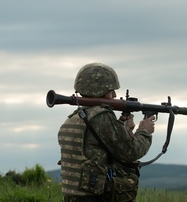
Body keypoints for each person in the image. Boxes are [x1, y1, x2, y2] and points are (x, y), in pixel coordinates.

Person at [58, 63, 155, 202]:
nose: (115, 95)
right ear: (100, 90)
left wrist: (122, 129)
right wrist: (144, 131)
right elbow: (132, 151)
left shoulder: (74, 118)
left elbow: (95, 150)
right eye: (111, 90)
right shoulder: (101, 117)